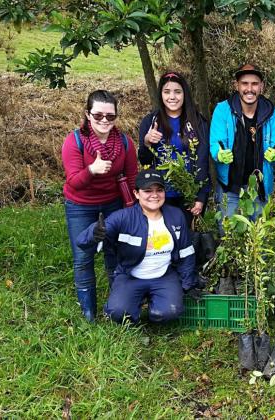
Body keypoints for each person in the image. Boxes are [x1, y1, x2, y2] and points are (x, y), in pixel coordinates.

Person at [77, 169, 198, 324]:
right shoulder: (123, 217)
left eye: (159, 190)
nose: (154, 195)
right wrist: (94, 233)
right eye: (147, 191)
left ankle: (157, 308)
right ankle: (132, 303)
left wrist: (189, 283)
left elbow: (186, 251)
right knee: (118, 312)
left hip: (164, 275)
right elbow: (82, 241)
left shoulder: (176, 215)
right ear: (136, 193)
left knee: (170, 312)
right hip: (131, 275)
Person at [61, 89, 138, 322]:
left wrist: (133, 208)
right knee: (83, 256)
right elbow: (73, 181)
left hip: (113, 203)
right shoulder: (74, 141)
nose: (104, 120)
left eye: (110, 116)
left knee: (114, 253)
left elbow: (132, 177)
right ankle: (89, 314)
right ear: (87, 114)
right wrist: (92, 170)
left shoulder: (124, 142)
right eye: (98, 116)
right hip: (80, 205)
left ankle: (117, 306)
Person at [210, 64, 275, 222]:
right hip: (229, 187)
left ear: (261, 86)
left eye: (255, 84)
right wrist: (218, 153)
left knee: (258, 239)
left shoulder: (273, 113)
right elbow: (216, 142)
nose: (249, 89)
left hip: (260, 188)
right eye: (245, 83)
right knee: (228, 235)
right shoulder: (223, 110)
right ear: (236, 85)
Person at [138, 71, 211, 227]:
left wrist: (200, 197)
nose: (172, 97)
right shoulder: (151, 121)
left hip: (189, 193)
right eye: (167, 92)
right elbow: (144, 160)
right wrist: (147, 142)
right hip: (160, 194)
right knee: (163, 241)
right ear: (161, 94)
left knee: (188, 240)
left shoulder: (198, 123)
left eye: (177, 92)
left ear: (185, 94)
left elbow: (202, 161)